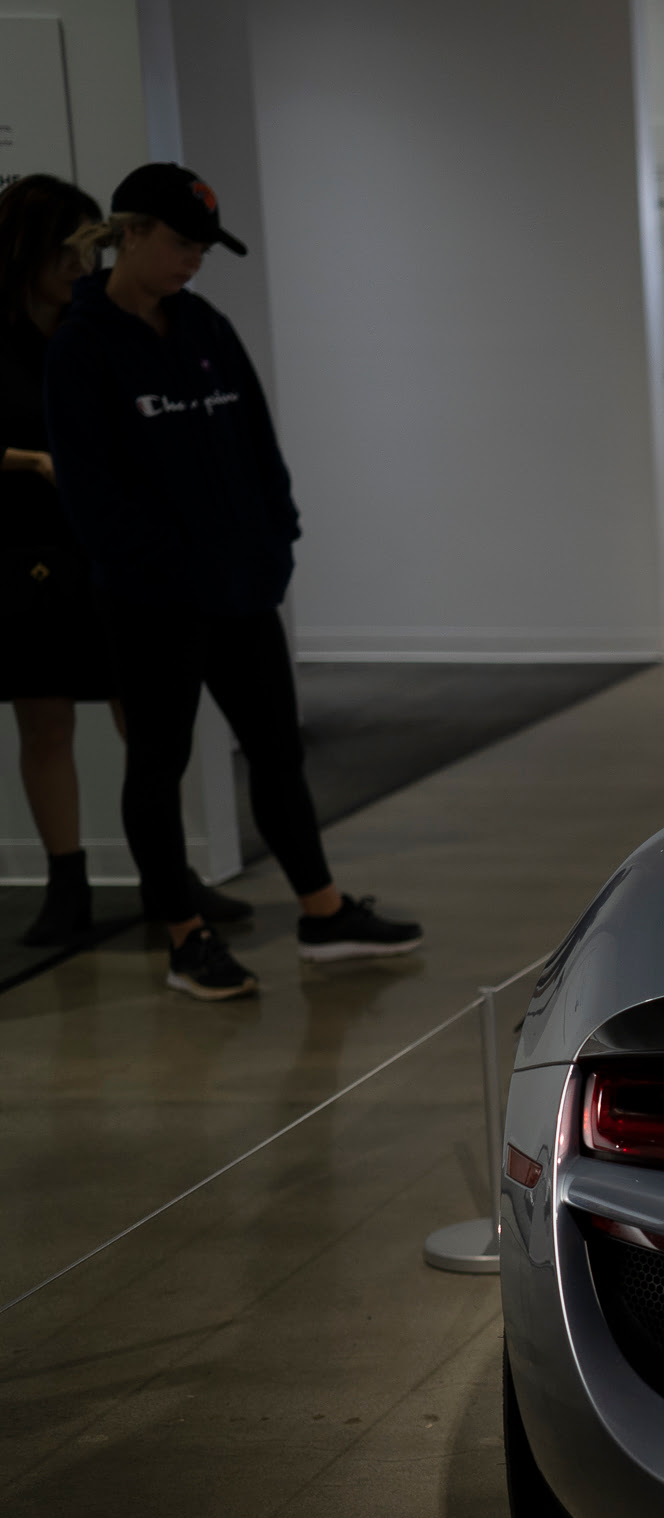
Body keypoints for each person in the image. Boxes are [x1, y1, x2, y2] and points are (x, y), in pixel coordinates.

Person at [47, 163, 421, 1000]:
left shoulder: (205, 326)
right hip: (153, 602)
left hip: (242, 589)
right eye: (181, 243)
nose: (193, 261)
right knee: (159, 761)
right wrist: (169, 568)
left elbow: (258, 442)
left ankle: (323, 914)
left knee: (277, 753)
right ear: (131, 232)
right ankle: (186, 938)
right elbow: (91, 491)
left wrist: (275, 539)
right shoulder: (83, 347)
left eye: (203, 248)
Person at [2, 175, 123, 949]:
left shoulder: (96, 327)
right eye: (70, 251)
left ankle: (171, 872)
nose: (84, 266)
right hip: (25, 550)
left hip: (108, 543)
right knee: (44, 723)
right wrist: (31, 461)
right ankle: (66, 883)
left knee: (145, 714)